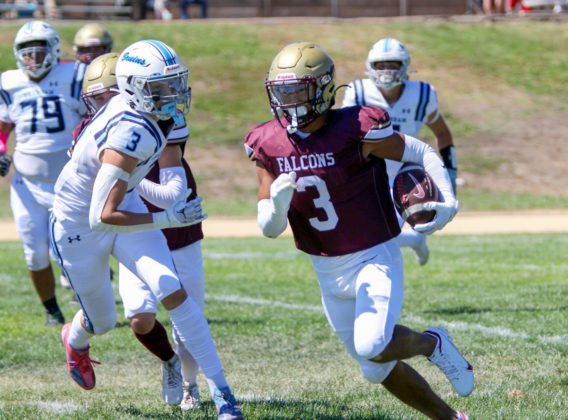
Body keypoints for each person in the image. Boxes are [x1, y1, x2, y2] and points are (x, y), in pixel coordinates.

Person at [244, 42, 471, 420]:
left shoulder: (356, 128)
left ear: (322, 90)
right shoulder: (268, 142)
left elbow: (420, 152)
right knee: (374, 367)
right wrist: (278, 205)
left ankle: (432, 344)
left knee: (372, 345)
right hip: (325, 267)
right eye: (282, 92)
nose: (289, 102)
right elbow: (270, 228)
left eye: (298, 91)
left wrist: (447, 198)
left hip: (372, 255)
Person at [50, 40, 243, 420]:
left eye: (175, 82)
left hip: (121, 203)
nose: (173, 93)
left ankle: (223, 394)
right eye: (160, 87)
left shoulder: (153, 115)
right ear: (132, 88)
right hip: (79, 224)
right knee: (103, 321)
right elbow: (101, 216)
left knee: (173, 290)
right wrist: (167, 219)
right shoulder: (130, 130)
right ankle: (75, 339)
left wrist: (169, 203)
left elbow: (139, 184)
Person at [79, 51, 206, 410]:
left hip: (175, 225)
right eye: (98, 100)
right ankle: (169, 362)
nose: (106, 107)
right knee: (139, 317)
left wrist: (130, 179)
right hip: (131, 227)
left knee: (188, 315)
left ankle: (191, 385)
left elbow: (171, 193)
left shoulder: (165, 115)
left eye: (110, 97)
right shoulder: (90, 131)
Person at [0, 20, 87, 327]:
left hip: (69, 182)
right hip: (27, 183)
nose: (33, 58)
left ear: (54, 50)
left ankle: (89, 304)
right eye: (27, 52)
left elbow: (93, 119)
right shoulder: (9, 82)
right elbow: (3, 127)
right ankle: (52, 311)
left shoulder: (75, 75)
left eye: (39, 51)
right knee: (34, 253)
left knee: (74, 248)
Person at [342, 38, 457, 266]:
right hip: (367, 174)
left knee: (378, 239)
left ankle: (412, 242)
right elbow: (344, 139)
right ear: (370, 67)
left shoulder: (421, 94)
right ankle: (415, 240)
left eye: (392, 65)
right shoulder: (358, 93)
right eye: (380, 65)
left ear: (405, 66)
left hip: (404, 178)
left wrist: (450, 175)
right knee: (360, 236)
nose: (386, 71)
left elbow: (443, 133)